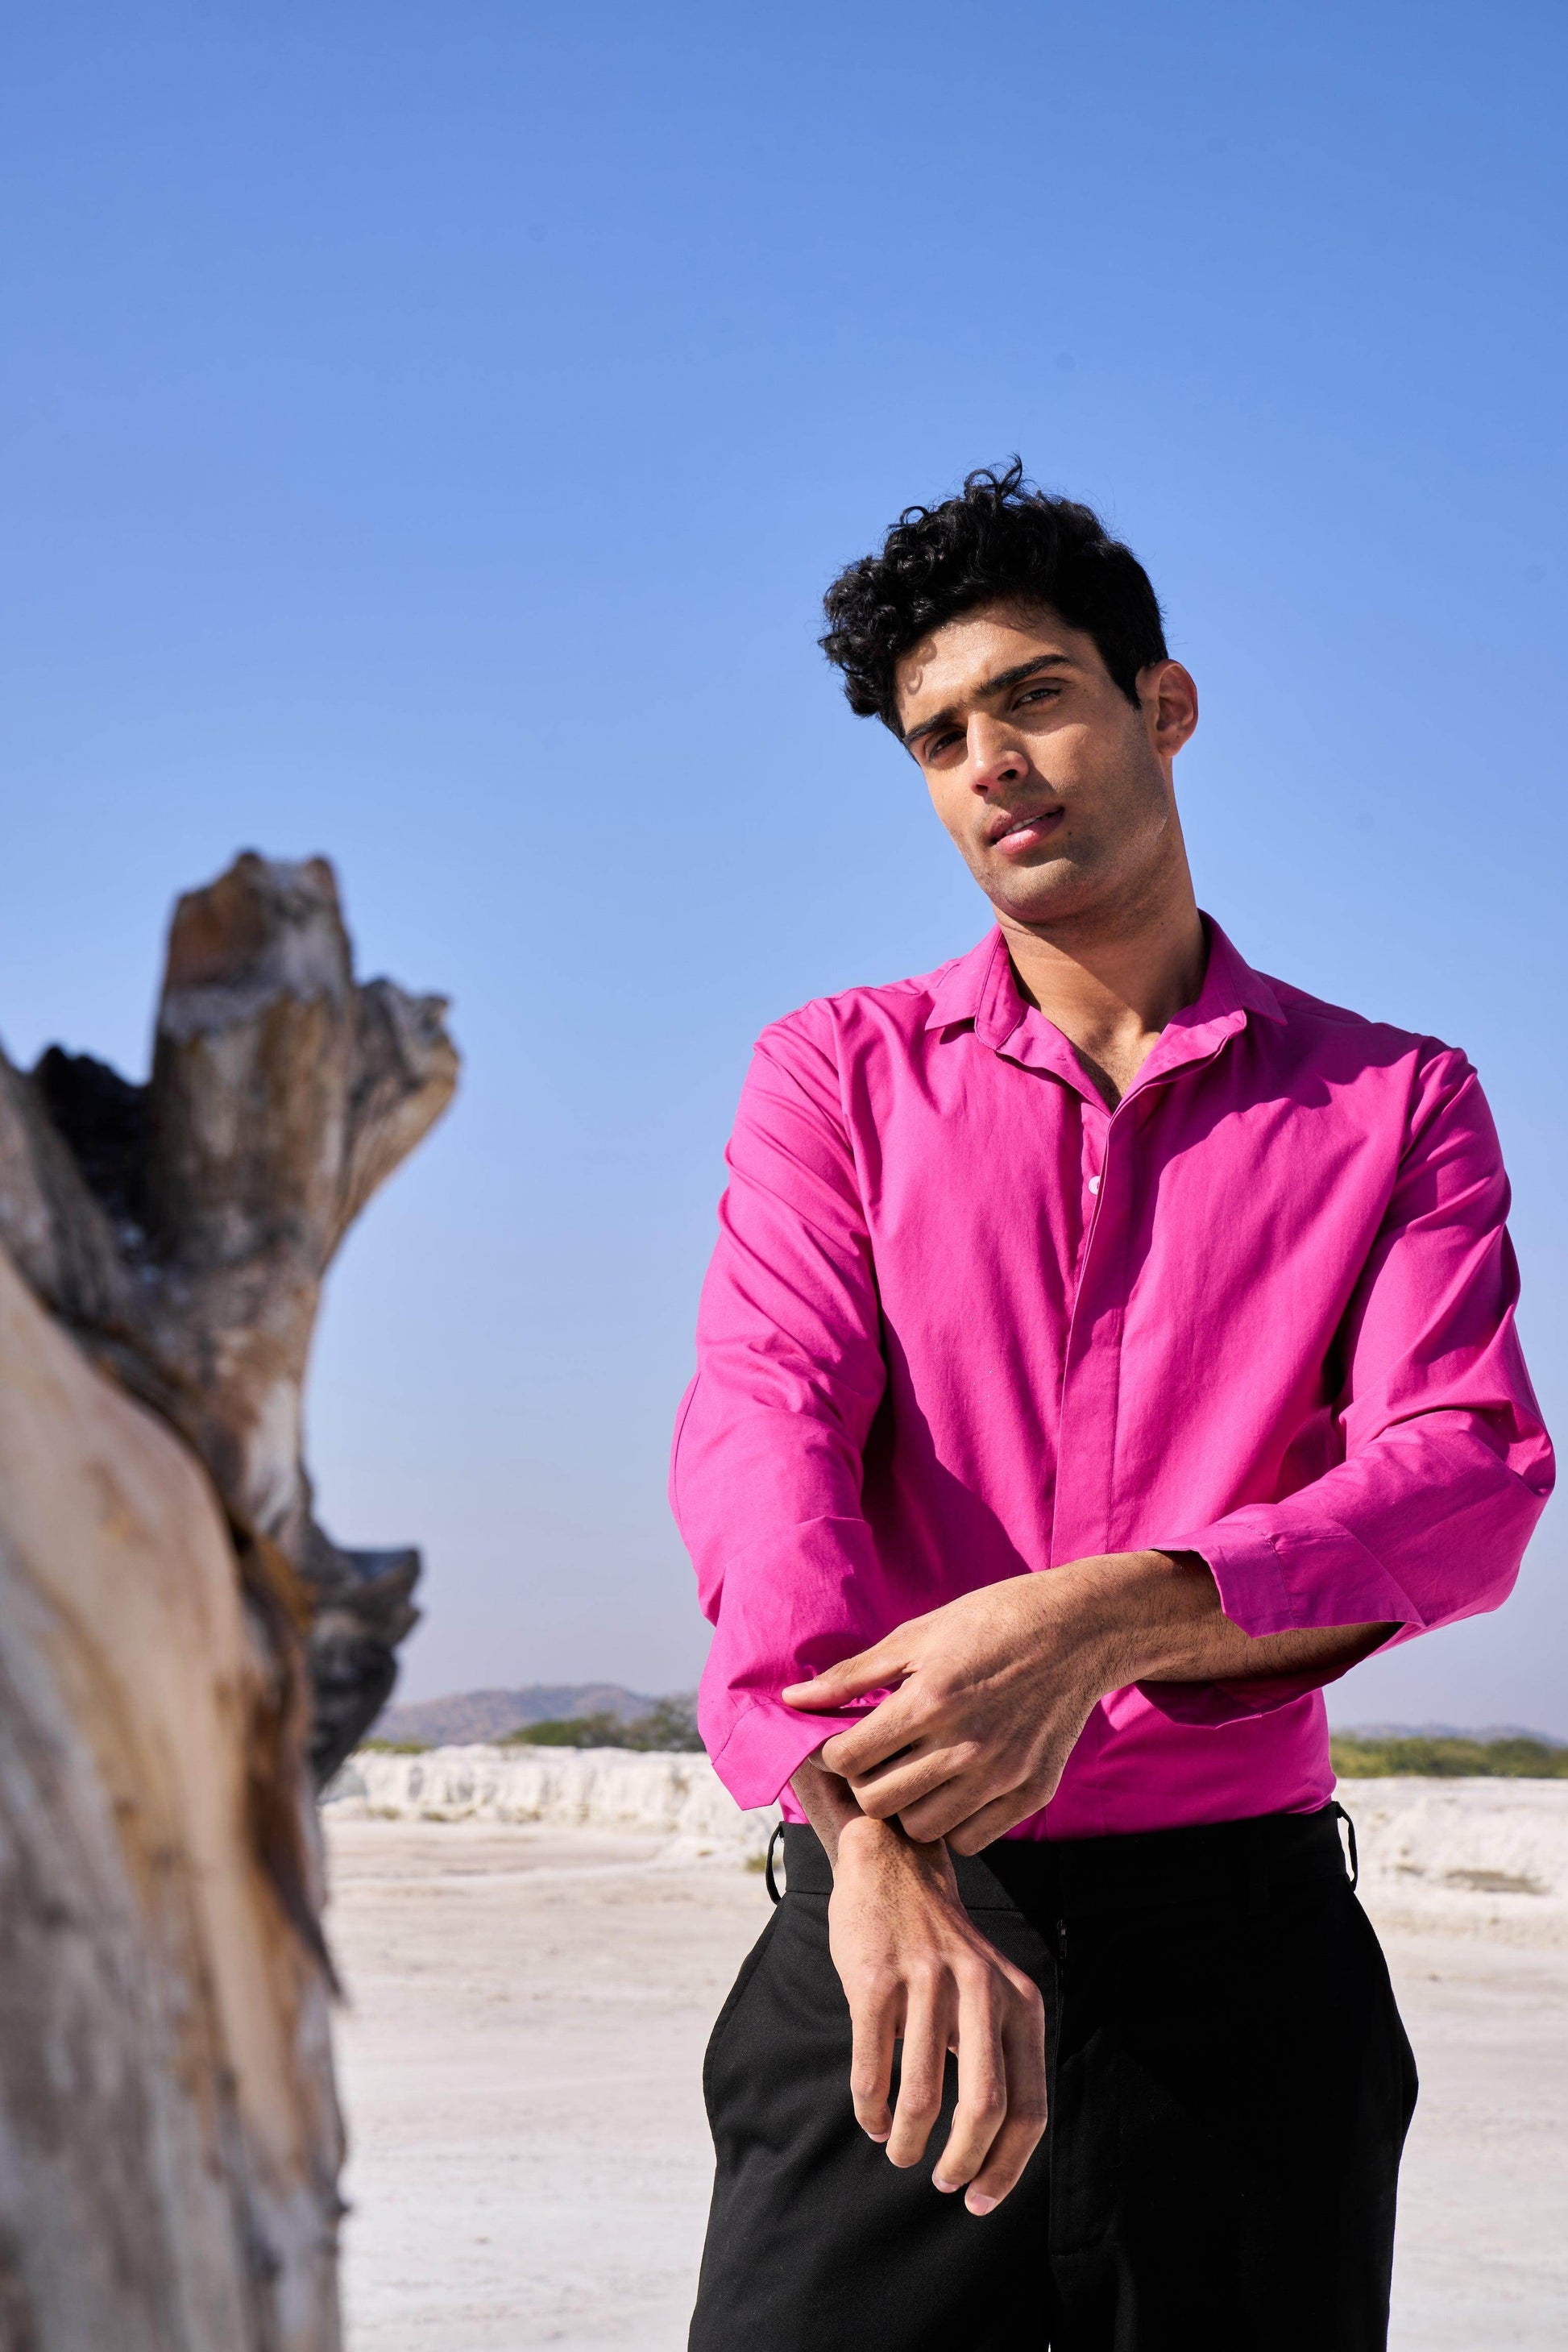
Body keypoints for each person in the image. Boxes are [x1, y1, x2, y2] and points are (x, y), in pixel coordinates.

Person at [670, 463, 1553, 2351]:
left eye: (1036, 695)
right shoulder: (834, 1076)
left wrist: (1102, 1618)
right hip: (894, 1924)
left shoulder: (1397, 1102)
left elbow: (1463, 1471)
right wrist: (870, 1839)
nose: (990, 759)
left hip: (1243, 1980)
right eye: (940, 736)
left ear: (1163, 703)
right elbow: (764, 1431)